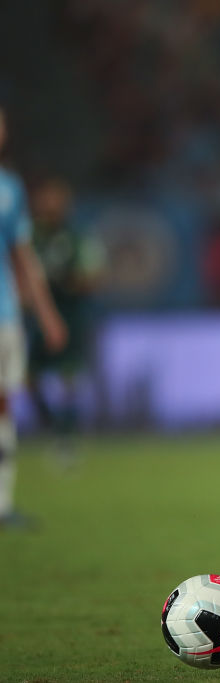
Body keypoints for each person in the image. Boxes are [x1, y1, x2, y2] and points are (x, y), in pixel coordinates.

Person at [0, 106, 68, 529]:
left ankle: (3, 504)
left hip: (4, 317)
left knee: (4, 406)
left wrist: (47, 315)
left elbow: (22, 257)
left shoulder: (9, 189)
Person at [25, 176, 105, 463]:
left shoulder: (77, 237)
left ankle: (67, 436)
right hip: (32, 317)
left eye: (56, 197)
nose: (50, 203)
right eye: (46, 197)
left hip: (71, 315)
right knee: (27, 377)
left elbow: (93, 276)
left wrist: (66, 281)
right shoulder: (28, 235)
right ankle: (52, 425)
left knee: (69, 376)